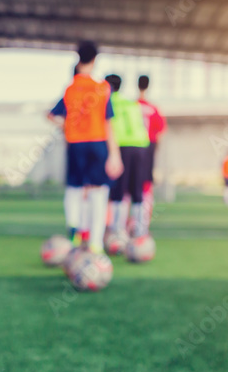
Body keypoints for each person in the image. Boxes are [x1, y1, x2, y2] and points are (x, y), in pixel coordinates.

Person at [47, 43, 123, 254]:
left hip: (75, 144)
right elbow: (108, 122)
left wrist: (66, 125)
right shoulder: (102, 88)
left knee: (74, 189)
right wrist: (115, 154)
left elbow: (51, 115)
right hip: (97, 144)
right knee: (98, 191)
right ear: (95, 60)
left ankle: (74, 232)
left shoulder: (70, 90)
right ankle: (96, 243)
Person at [105, 74, 151, 239]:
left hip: (121, 147)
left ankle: (117, 231)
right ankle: (140, 231)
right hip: (141, 147)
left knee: (119, 190)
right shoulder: (131, 103)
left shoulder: (108, 102)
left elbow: (107, 127)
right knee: (137, 190)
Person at [137, 75, 167, 233]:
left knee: (127, 189)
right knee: (146, 188)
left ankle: (123, 227)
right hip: (148, 149)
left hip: (131, 148)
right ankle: (142, 227)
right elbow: (160, 132)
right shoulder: (153, 109)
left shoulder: (132, 106)